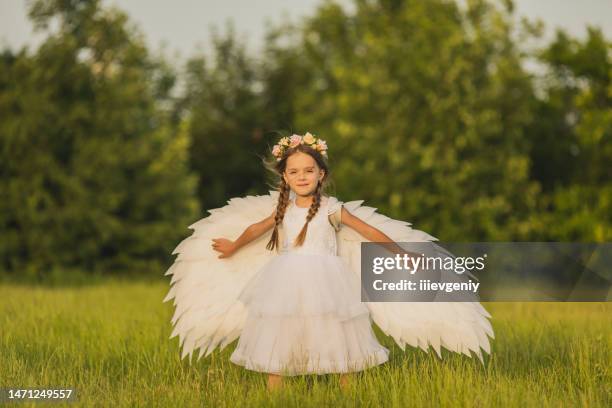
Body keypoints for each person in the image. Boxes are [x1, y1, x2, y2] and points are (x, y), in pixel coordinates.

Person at [163, 132, 494, 391]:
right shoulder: (283, 210)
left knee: (337, 332)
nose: (302, 176)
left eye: (309, 170)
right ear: (285, 177)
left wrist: (403, 253)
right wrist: (234, 245)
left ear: (321, 174)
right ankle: (276, 394)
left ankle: (345, 392)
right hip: (287, 280)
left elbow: (368, 230)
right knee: (279, 332)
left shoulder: (331, 208)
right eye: (294, 172)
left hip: (328, 280)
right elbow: (256, 229)